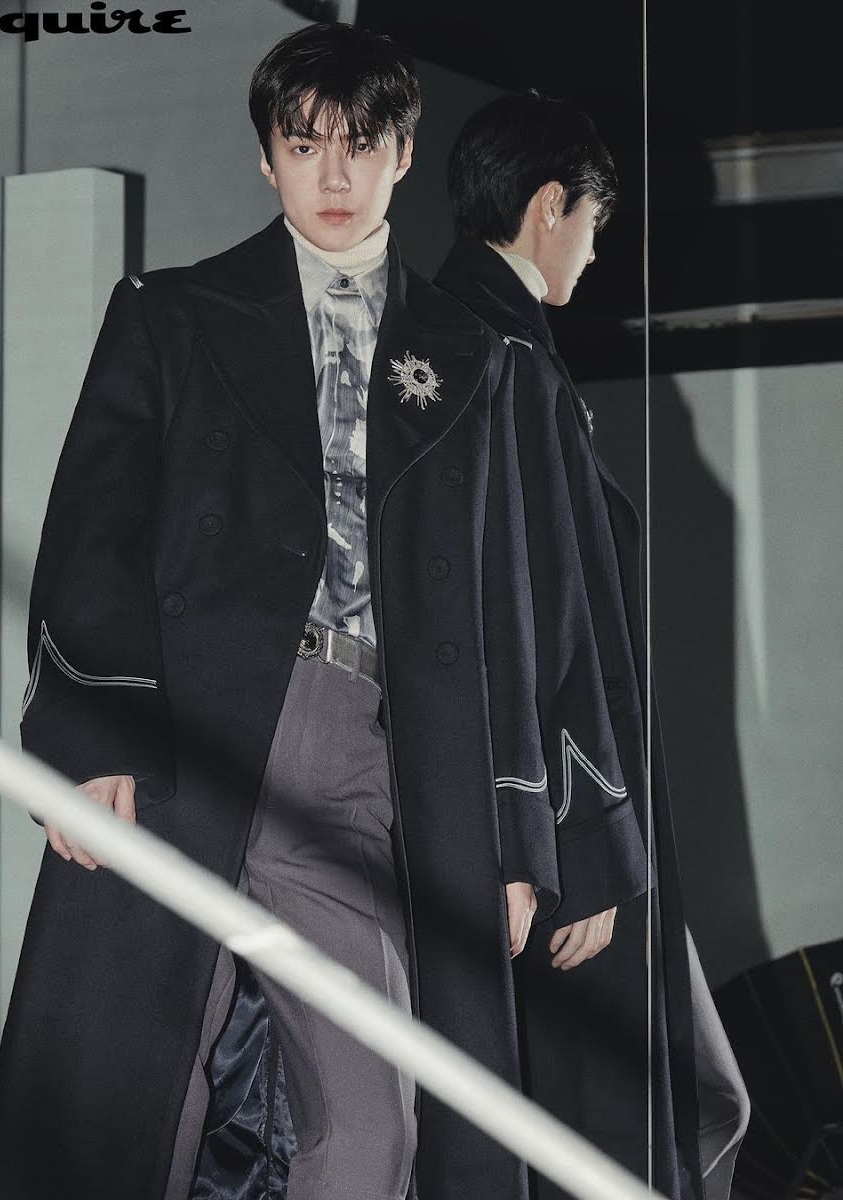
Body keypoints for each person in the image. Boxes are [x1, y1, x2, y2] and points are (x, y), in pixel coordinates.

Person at [0, 27, 560, 1200]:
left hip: (367, 763)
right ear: (266, 158)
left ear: (404, 154)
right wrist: (91, 743)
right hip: (184, 736)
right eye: (303, 145)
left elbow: (504, 607)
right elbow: (91, 537)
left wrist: (512, 836)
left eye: (361, 146)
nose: (333, 176)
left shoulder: (473, 357)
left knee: (378, 1125)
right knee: (129, 1114)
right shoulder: (174, 314)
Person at [435, 91, 750, 1200]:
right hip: (559, 833)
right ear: (549, 206)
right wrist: (587, 848)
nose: (596, 251)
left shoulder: (474, 337)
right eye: (596, 225)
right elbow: (541, 617)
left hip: (520, 817)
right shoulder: (502, 355)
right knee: (604, 1126)